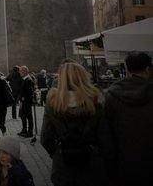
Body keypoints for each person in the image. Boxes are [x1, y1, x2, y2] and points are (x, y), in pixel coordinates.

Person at [41, 60, 108, 186]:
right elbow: (105, 137)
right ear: (83, 77)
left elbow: (45, 138)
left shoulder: (53, 103)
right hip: (91, 164)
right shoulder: (95, 101)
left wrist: (57, 154)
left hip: (63, 166)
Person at [103, 51, 152, 186]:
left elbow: (107, 135)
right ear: (148, 69)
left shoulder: (112, 95)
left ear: (127, 69)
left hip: (124, 162)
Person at [17, 66, 36, 138]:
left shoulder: (28, 80)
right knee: (23, 116)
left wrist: (24, 99)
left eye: (21, 71)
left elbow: (30, 92)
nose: (19, 73)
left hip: (26, 102)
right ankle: (24, 130)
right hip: (23, 102)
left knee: (28, 117)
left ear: (25, 71)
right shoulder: (24, 79)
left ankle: (30, 132)